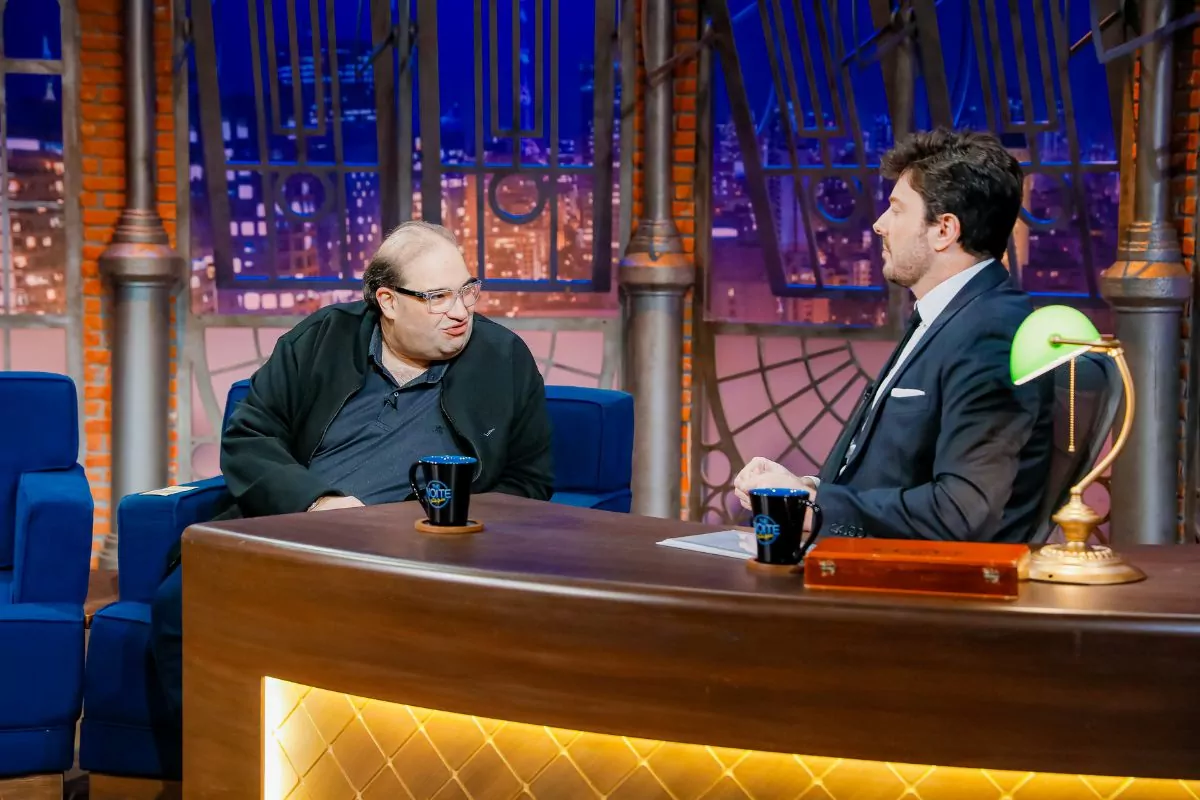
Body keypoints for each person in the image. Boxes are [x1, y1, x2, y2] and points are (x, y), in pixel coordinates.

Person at [149, 220, 554, 744]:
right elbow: (250, 436)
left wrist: (434, 526)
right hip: (290, 529)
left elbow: (529, 481)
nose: (460, 311)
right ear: (388, 301)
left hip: (411, 554)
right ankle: (218, 765)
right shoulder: (322, 339)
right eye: (437, 297)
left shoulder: (504, 360)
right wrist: (319, 505)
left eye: (467, 290)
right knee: (181, 601)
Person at [734, 129, 1053, 543]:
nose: (880, 224)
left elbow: (959, 511)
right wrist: (804, 489)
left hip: (910, 578)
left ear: (944, 230)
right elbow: (889, 477)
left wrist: (813, 505)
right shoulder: (946, 315)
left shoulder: (991, 334)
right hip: (851, 557)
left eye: (897, 210)